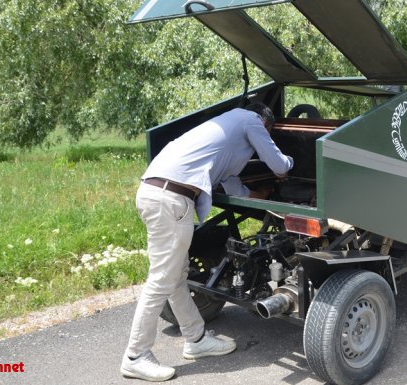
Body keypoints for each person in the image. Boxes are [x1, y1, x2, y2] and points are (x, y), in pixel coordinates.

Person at [121, 103, 294, 381]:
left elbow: (233, 183)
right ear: (266, 122)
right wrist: (290, 165)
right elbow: (278, 164)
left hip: (156, 193)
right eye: (269, 133)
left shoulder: (226, 130)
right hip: (171, 199)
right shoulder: (251, 119)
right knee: (161, 280)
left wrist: (264, 197)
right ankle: (135, 356)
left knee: (175, 276)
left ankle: (196, 339)